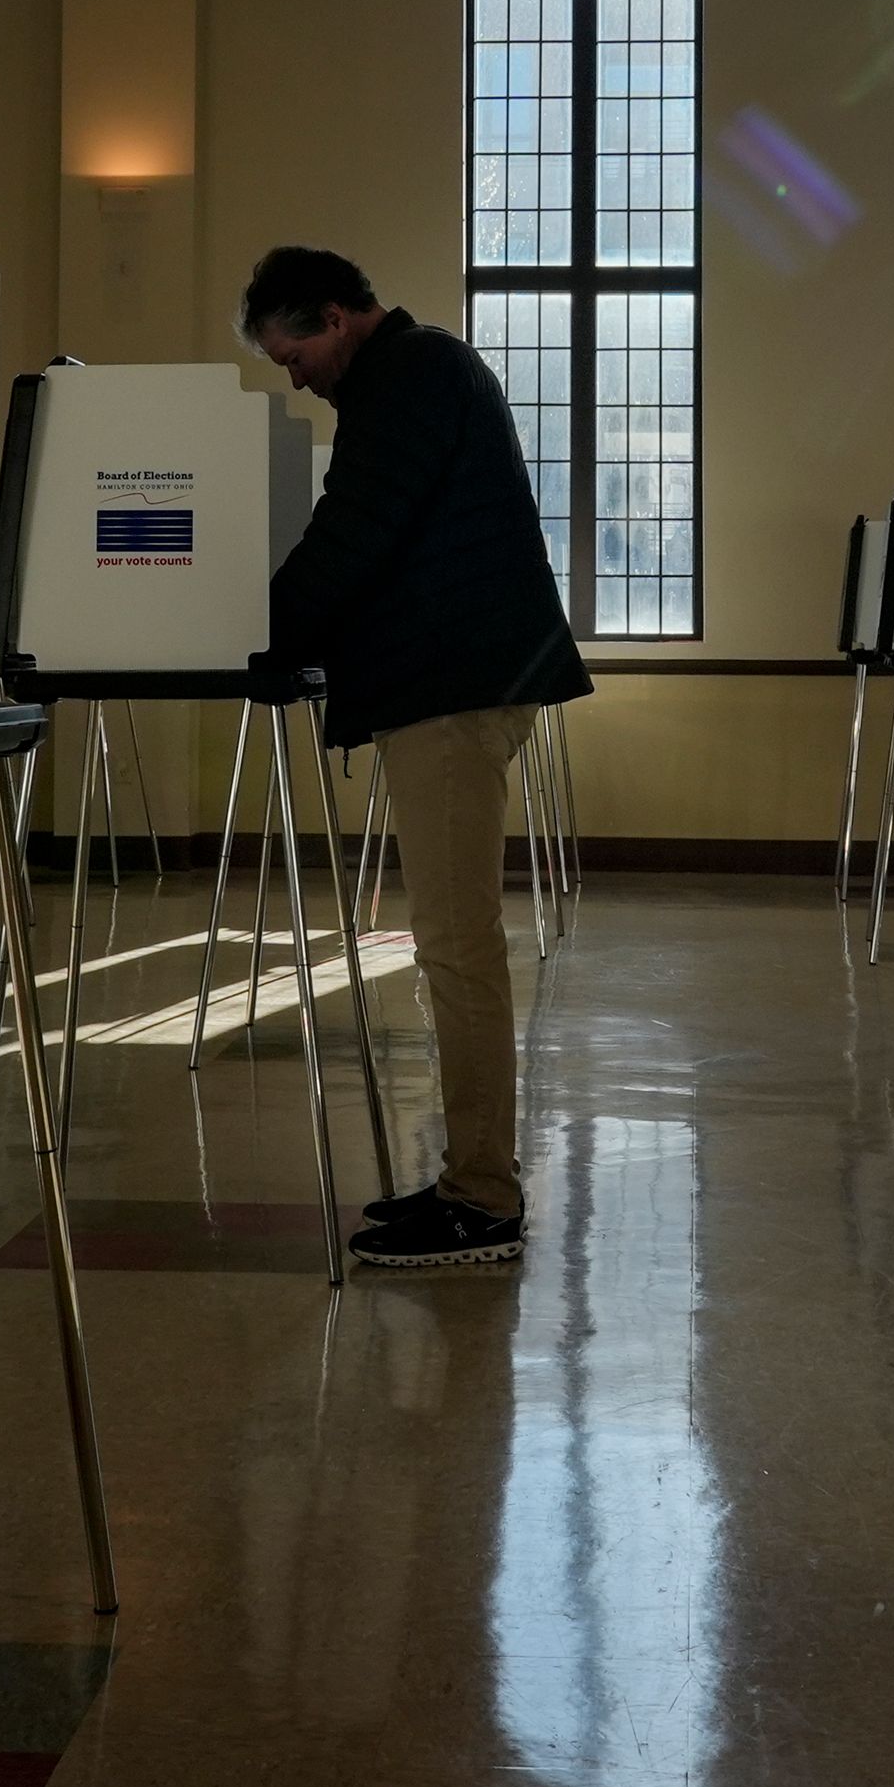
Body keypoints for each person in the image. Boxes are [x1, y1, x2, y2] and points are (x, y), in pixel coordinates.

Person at [242, 246, 590, 1271]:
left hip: (452, 690)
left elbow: (357, 533)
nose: (291, 372)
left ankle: (483, 1199)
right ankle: (466, 1180)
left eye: (294, 348)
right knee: (453, 940)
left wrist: (260, 632)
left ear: (342, 314)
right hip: (456, 683)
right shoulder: (417, 372)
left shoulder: (410, 376)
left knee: (456, 944)